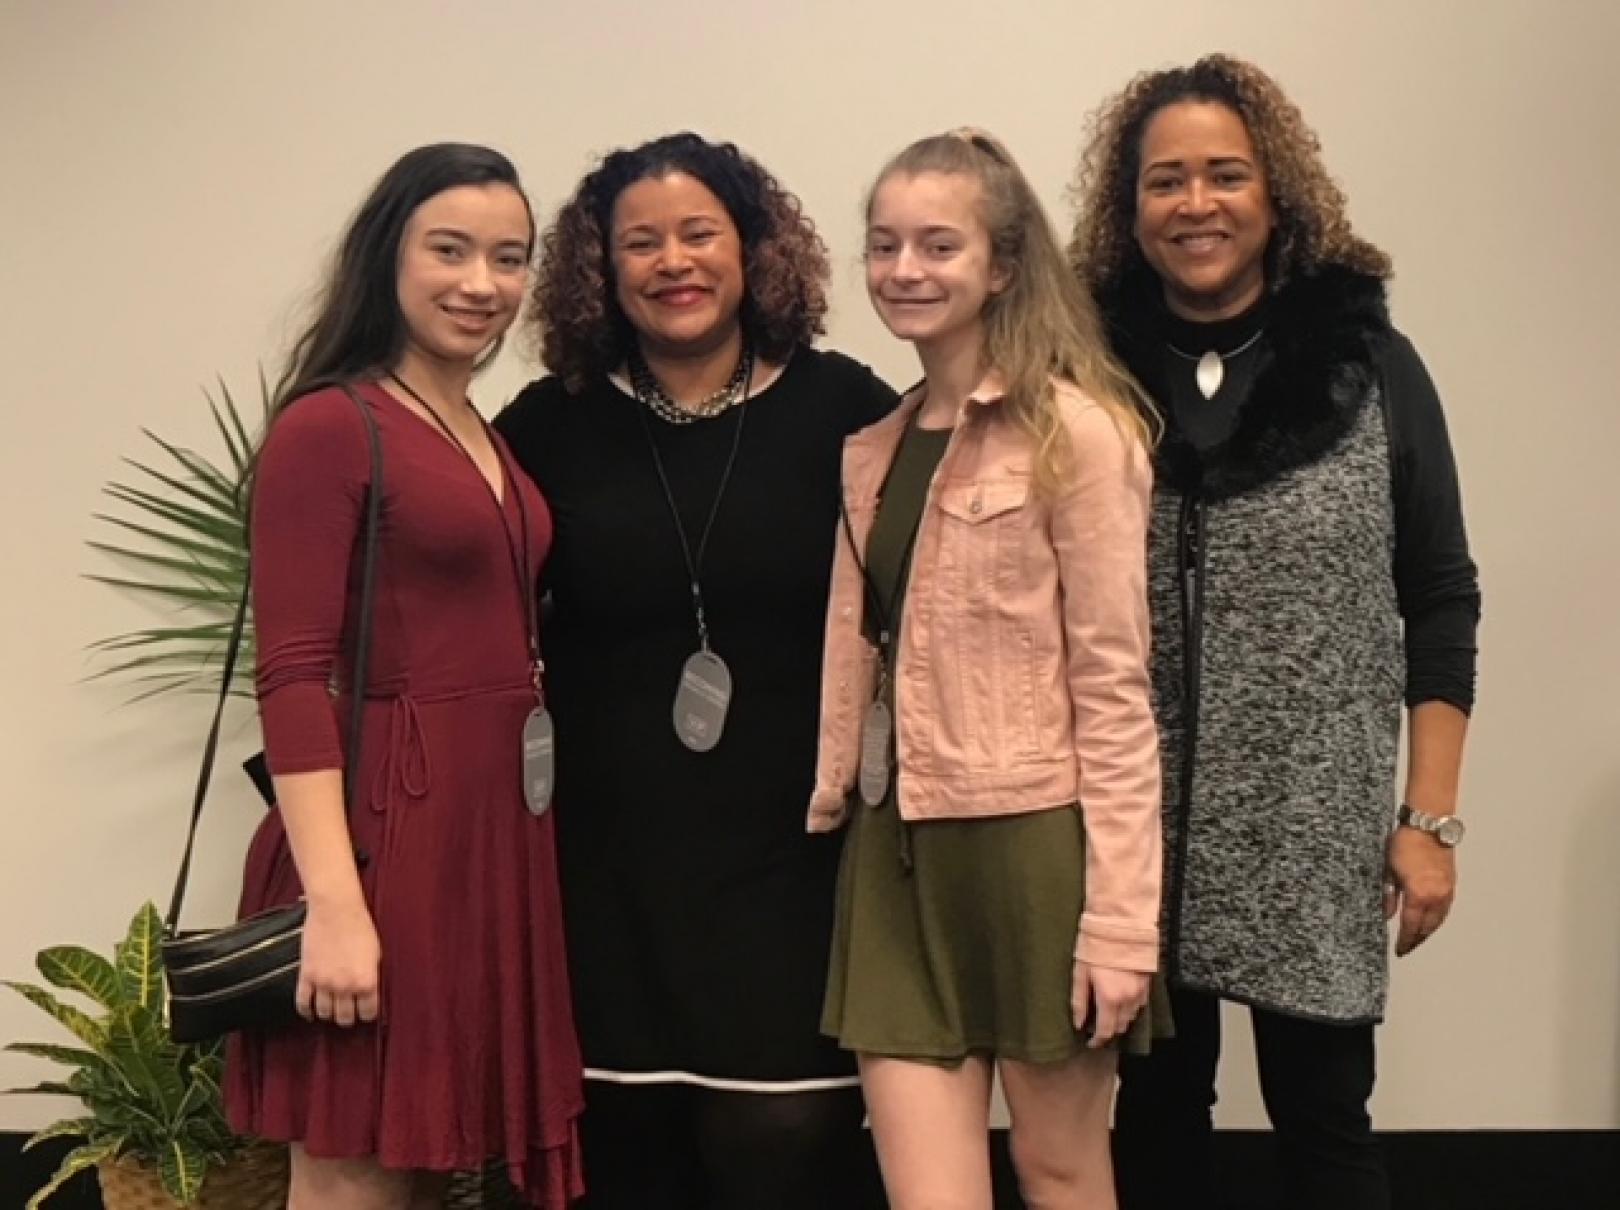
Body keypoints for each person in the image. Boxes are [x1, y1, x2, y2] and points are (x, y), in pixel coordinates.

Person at [1069, 54, 1482, 1210]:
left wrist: (1429, 820)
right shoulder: (1082, 377)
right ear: (1129, 205)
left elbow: (1440, 592)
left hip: (1315, 827)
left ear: (1275, 193)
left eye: (1224, 175)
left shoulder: (1370, 370)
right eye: (1165, 181)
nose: (1195, 204)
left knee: (1323, 1123)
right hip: (1128, 832)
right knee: (1150, 1127)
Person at [493, 131, 896, 1210]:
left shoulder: (845, 408)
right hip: (604, 858)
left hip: (791, 853)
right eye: (640, 242)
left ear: (751, 248)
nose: (673, 261)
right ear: (602, 269)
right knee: (626, 1151)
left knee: (783, 1134)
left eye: (698, 233)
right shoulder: (548, 424)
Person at [807, 128, 1166, 1210]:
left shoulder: (1083, 434)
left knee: (1058, 1169)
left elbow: (1114, 692)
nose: (904, 270)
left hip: (1036, 851)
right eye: (884, 245)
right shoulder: (871, 448)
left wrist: (1120, 920)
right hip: (894, 845)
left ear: (1002, 265)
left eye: (937, 245)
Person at [226, 143, 584, 1210]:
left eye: (508, 257)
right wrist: (334, 905)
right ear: (389, 255)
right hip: (386, 835)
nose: (482, 283)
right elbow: (290, 675)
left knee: (428, 1168)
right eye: (451, 250)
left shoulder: (478, 427)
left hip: (487, 836)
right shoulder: (331, 425)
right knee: (354, 1174)